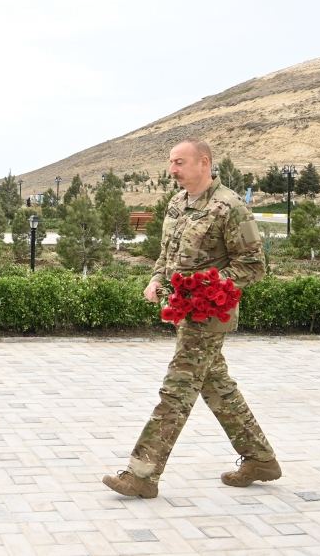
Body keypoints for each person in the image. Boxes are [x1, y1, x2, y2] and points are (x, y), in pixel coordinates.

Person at [103, 138, 279, 499]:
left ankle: (142, 474)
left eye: (179, 162)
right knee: (218, 387)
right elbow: (167, 254)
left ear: (204, 162)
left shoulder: (230, 207)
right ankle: (260, 458)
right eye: (171, 162)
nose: (173, 170)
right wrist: (157, 279)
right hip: (183, 311)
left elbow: (253, 265)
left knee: (177, 389)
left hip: (211, 313)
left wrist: (205, 288)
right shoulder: (177, 203)